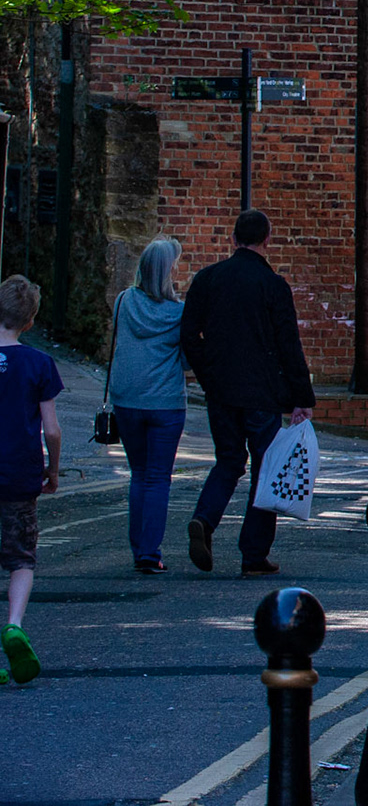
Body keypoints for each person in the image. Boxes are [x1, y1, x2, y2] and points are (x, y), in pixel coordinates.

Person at [181, 210, 315, 576]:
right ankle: (253, 555)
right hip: (262, 393)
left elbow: (189, 335)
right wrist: (302, 398)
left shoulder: (208, 279)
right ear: (267, 239)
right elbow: (289, 345)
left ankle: (204, 519)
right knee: (265, 469)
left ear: (233, 238)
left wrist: (207, 376)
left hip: (221, 390)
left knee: (228, 460)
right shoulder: (273, 285)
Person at [110, 238, 189, 573]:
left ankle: (137, 548)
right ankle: (149, 552)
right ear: (168, 272)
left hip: (127, 400)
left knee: (139, 474)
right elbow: (187, 361)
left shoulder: (123, 301)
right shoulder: (180, 313)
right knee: (158, 477)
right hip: (166, 403)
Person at [0, 275, 60, 683]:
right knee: (21, 558)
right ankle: (14, 625)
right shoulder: (39, 364)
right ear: (31, 321)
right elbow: (51, 430)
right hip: (20, 474)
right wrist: (52, 470)